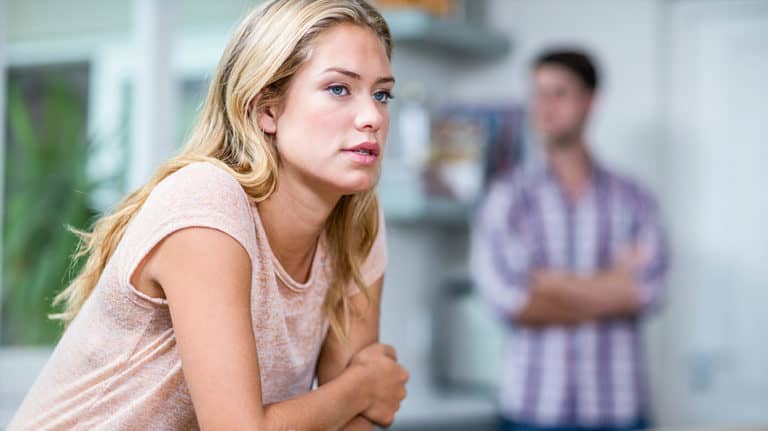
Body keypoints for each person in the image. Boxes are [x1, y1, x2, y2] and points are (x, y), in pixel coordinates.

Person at [8, 1, 408, 429]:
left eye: (381, 94)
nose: (372, 117)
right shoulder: (206, 204)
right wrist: (360, 388)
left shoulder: (357, 221)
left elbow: (357, 421)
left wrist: (359, 394)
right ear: (266, 109)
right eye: (339, 89)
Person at [471, 49, 669, 431]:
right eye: (538, 94)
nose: (545, 107)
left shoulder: (635, 200)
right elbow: (507, 299)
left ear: (590, 101)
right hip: (532, 409)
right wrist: (613, 288)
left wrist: (549, 282)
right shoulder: (507, 197)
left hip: (619, 409)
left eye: (559, 93)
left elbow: (650, 291)